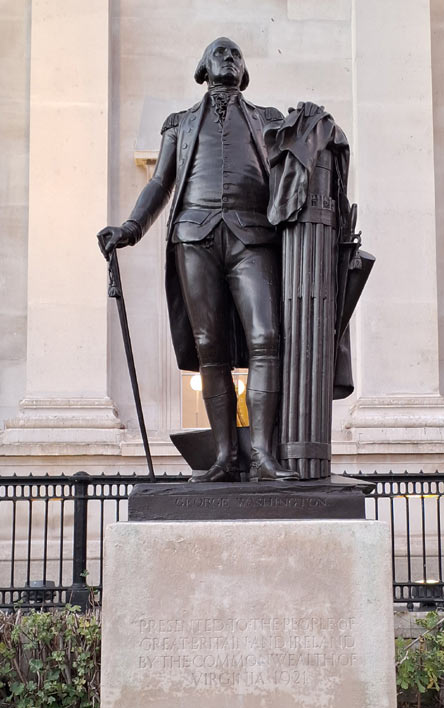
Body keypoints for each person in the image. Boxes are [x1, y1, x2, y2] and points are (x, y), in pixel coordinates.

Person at [97, 37, 325, 483]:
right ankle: (224, 457)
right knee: (210, 349)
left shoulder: (269, 121)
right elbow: (160, 183)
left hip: (252, 236)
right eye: (220, 52)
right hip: (193, 236)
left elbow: (300, 166)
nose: (230, 57)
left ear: (245, 72)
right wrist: (130, 228)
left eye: (237, 54)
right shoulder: (178, 124)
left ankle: (262, 454)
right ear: (202, 67)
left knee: (267, 337)